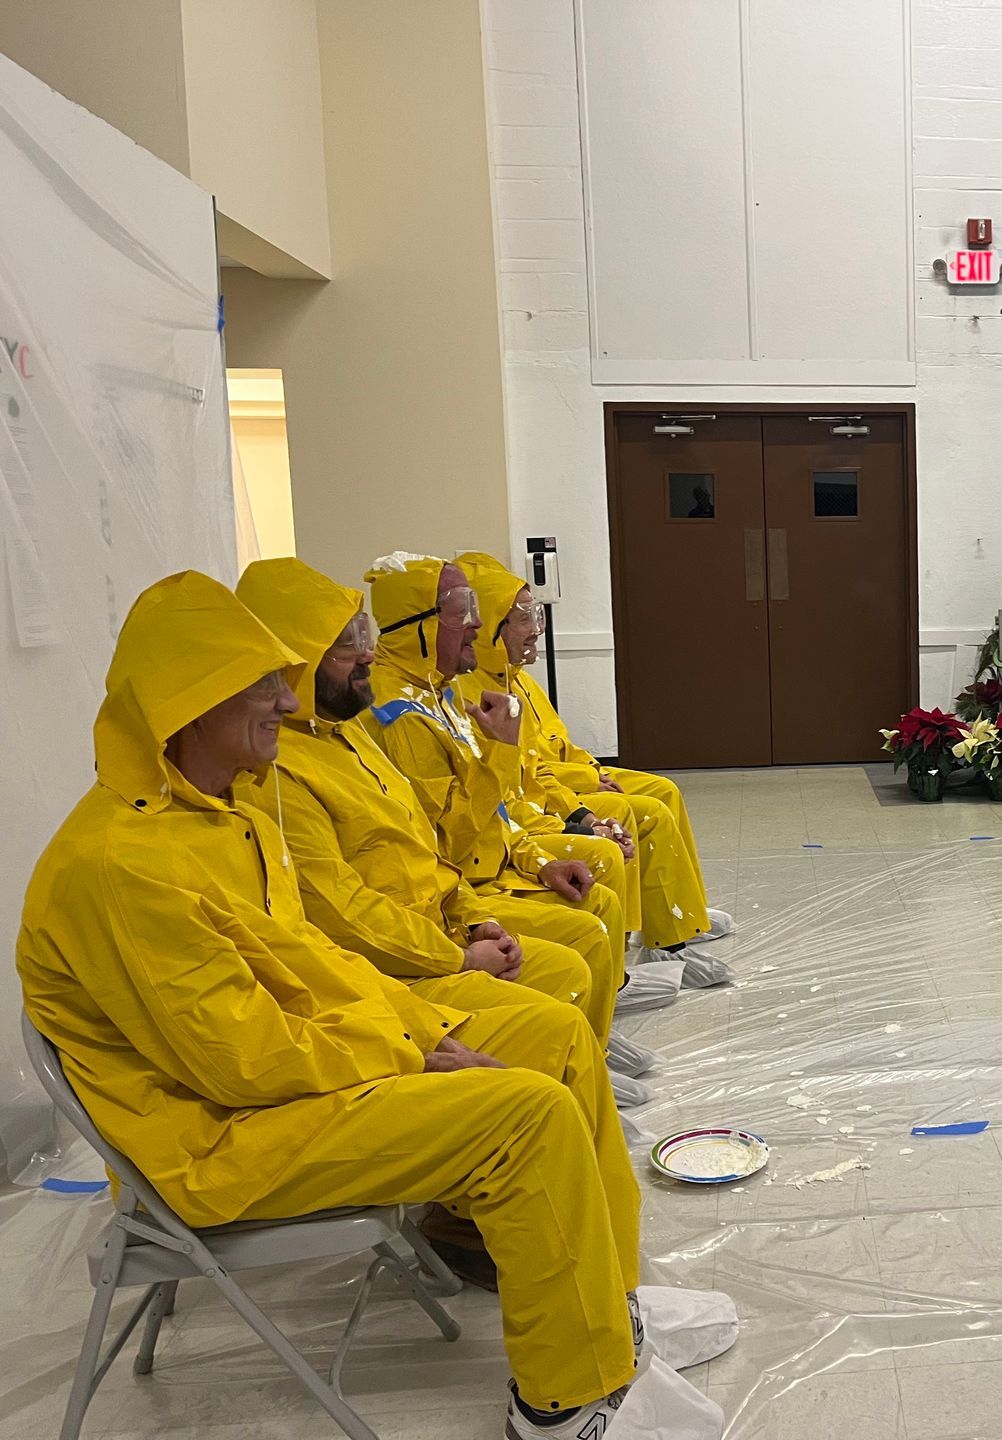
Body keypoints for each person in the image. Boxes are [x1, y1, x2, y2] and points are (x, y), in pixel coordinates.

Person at [14, 571, 721, 1439]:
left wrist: (420, 1028)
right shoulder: (121, 864)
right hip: (213, 1136)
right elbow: (241, 1061)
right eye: (260, 685)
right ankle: (566, 1404)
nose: (286, 700)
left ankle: (608, 1310)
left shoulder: (217, 814)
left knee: (553, 1034)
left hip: (289, 1071)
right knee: (524, 1117)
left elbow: (310, 963)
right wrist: (407, 1050)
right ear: (187, 705)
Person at [232, 557, 661, 1115]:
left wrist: (525, 867)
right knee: (574, 956)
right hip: (413, 947)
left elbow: (449, 835)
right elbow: (432, 853)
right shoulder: (377, 722)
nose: (481, 628)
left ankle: (581, 1073)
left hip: (452, 909)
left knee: (596, 899)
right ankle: (560, 1095)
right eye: (465, 612)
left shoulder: (368, 727)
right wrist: (457, 953)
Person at [363, 553, 684, 1019]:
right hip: (462, 894)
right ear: (416, 626)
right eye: (459, 610)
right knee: (589, 922)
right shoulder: (401, 715)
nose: (473, 624)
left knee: (602, 880)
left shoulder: (442, 694)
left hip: (491, 868)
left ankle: (628, 982)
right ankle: (589, 1041)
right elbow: (449, 841)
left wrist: (541, 856)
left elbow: (498, 808)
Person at [456, 552, 729, 987]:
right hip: (532, 814)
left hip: (557, 792)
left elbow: (554, 748)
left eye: (534, 617)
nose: (535, 632)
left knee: (663, 791)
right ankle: (656, 943)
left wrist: (589, 772)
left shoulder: (515, 680)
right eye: (523, 619)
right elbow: (523, 779)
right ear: (492, 626)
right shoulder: (477, 693)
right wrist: (582, 804)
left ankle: (680, 915)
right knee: (641, 815)